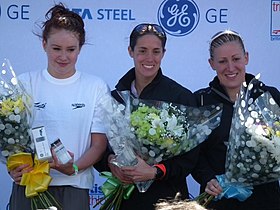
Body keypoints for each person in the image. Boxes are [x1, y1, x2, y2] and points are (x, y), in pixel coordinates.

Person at [8, 3, 109, 210]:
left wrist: (73, 167)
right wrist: (14, 167)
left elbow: (98, 144)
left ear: (80, 48)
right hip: (29, 186)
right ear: (44, 44)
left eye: (71, 49)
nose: (63, 56)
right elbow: (10, 138)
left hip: (74, 187)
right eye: (56, 48)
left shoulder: (95, 86)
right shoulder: (25, 83)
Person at [95, 23, 199, 210]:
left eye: (156, 51)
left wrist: (154, 172)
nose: (149, 58)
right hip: (126, 201)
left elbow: (189, 159)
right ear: (130, 51)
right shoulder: (114, 98)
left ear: (163, 53)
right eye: (142, 50)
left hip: (169, 201)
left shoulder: (181, 97)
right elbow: (98, 148)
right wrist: (111, 163)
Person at [191, 29, 280, 210]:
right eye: (222, 61)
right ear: (211, 63)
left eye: (236, 59)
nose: (230, 67)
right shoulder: (200, 102)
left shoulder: (270, 96)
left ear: (246, 57)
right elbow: (192, 154)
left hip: (265, 200)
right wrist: (207, 178)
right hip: (217, 199)